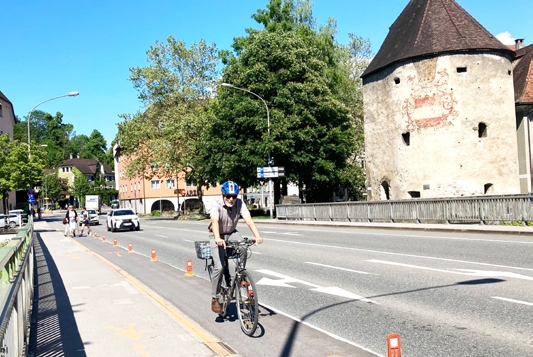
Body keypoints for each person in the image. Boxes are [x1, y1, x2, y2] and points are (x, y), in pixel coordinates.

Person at [209, 180, 264, 313]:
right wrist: (217, 238)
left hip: (232, 233)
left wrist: (258, 236)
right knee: (219, 267)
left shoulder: (239, 203)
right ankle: (215, 297)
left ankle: (241, 274)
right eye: (228, 196)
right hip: (217, 234)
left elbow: (248, 219)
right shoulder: (216, 203)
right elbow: (214, 221)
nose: (231, 199)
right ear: (223, 195)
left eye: (234, 196)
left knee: (244, 246)